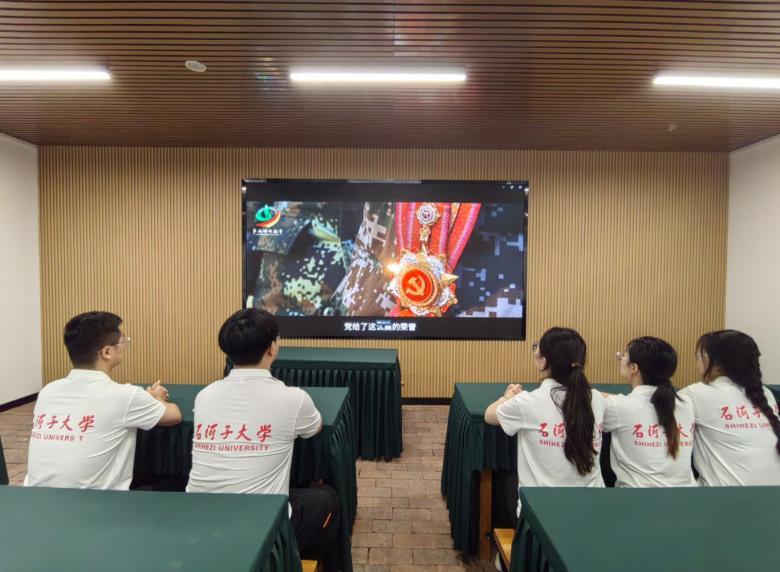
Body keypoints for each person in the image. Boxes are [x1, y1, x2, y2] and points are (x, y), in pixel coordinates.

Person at [187, 308, 340, 559]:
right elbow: (316, 427)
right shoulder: (293, 399)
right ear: (272, 348)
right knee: (327, 499)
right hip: (260, 528)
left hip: (198, 520)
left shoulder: (205, 395)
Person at [25, 311, 181, 490]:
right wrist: (158, 398)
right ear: (107, 352)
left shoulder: (48, 391)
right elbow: (174, 416)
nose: (125, 345)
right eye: (123, 341)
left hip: (36, 496)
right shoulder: (125, 396)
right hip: (94, 502)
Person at [485, 327, 605, 515]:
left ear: (543, 361)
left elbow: (489, 415)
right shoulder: (597, 399)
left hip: (542, 515)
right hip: (595, 511)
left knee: (507, 481)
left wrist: (507, 396)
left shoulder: (526, 402)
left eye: (537, 348)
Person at [679, 330, 780, 485]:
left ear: (709, 359)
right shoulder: (765, 393)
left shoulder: (696, 395)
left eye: (698, 356)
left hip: (724, 496)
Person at [603, 337, 695, 487]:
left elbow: (592, 399)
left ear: (634, 368)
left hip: (637, 497)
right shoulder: (686, 404)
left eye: (623, 355)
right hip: (686, 496)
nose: (620, 358)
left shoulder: (617, 407)